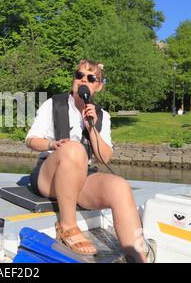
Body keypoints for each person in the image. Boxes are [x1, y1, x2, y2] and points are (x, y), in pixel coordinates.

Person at [25, 59, 151, 263]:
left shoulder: (102, 116)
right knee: (74, 149)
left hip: (83, 176)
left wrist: (91, 127)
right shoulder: (53, 104)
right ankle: (67, 226)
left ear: (98, 86)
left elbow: (104, 158)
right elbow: (30, 140)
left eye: (91, 78)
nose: (84, 80)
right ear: (74, 80)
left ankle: (136, 254)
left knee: (119, 186)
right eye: (79, 75)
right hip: (49, 176)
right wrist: (52, 144)